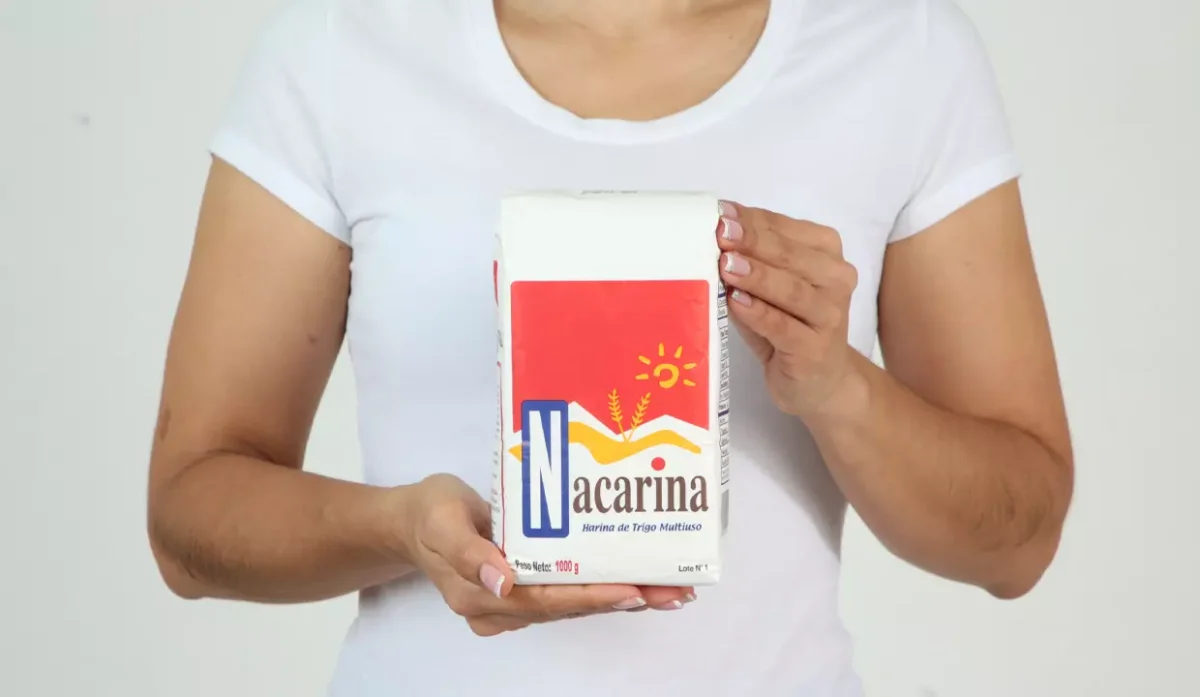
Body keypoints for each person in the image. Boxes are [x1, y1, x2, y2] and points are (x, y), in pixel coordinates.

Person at [145, 0, 1074, 694]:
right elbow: (190, 520)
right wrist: (400, 530)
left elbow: (1018, 542)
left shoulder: (902, 53)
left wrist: (838, 387)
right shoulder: (338, 49)